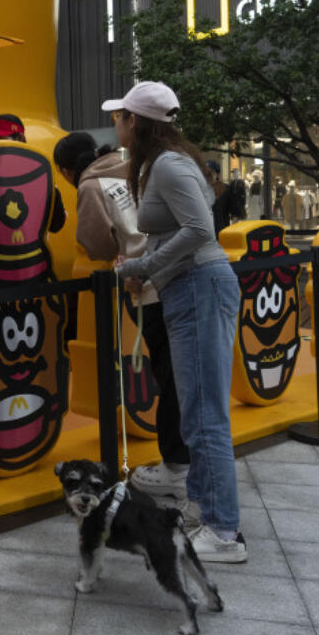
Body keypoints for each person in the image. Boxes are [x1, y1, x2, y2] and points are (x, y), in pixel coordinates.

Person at [106, 80, 246, 563]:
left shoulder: (166, 164)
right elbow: (187, 235)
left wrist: (142, 268)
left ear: (136, 122)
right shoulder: (169, 162)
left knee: (206, 414)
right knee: (198, 410)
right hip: (189, 287)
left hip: (198, 289)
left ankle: (223, 531)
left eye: (120, 115)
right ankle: (206, 509)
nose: (115, 123)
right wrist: (149, 273)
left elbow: (200, 232)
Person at [51, 132, 190, 504]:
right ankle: (189, 461)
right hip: (184, 274)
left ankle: (177, 467)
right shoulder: (139, 168)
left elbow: (95, 242)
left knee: (167, 375)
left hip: (149, 284)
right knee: (185, 375)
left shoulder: (91, 184)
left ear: (66, 170)